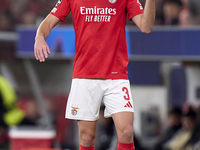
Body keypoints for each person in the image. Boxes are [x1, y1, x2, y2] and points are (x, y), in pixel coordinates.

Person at [34, 0, 155, 149]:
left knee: (127, 132)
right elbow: (47, 22)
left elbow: (146, 26)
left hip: (116, 76)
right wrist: (39, 37)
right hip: (84, 76)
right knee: (87, 138)